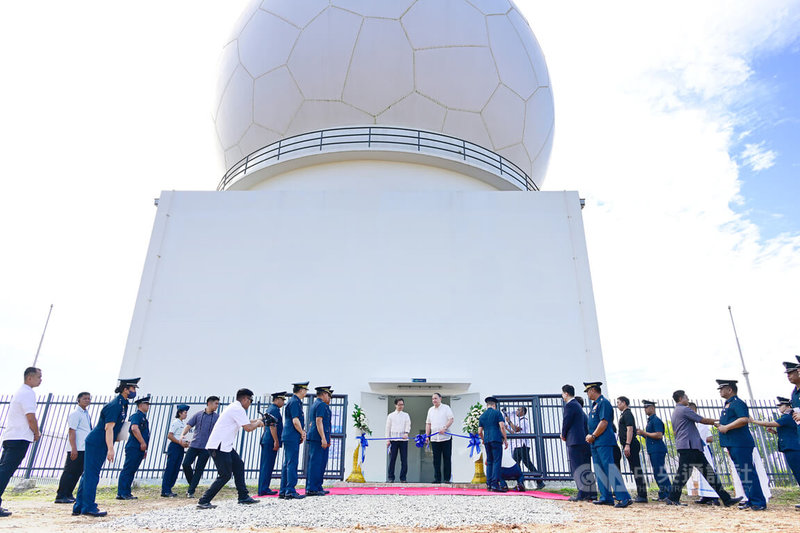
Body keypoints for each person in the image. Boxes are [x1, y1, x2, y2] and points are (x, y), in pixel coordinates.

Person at [73, 377, 139, 517]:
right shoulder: (115, 405)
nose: (134, 392)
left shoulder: (123, 404)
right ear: (125, 389)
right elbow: (108, 428)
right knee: (92, 475)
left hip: (101, 442)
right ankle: (89, 507)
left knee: (88, 474)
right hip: (98, 442)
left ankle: (79, 506)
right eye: (132, 389)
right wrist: (110, 448)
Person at [665, 389, 740, 508]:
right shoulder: (684, 410)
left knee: (704, 473)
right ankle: (672, 498)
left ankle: (726, 499)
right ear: (680, 398)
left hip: (688, 446)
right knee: (688, 474)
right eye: (686, 397)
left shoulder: (675, 412)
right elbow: (702, 420)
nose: (688, 399)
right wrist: (719, 422)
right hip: (690, 447)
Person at [198, 388, 264, 509]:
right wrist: (259, 423)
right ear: (244, 399)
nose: (250, 403)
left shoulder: (235, 407)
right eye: (251, 400)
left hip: (224, 445)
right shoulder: (237, 409)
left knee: (239, 464)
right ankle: (204, 500)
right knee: (225, 475)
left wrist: (259, 420)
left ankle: (243, 496)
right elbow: (248, 428)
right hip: (219, 446)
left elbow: (246, 422)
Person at [714, 379, 767, 511]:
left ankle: (758, 501)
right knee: (743, 473)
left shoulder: (737, 403)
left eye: (722, 388)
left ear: (730, 390)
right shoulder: (728, 404)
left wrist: (726, 427)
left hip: (740, 443)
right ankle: (751, 499)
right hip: (733, 443)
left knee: (747, 472)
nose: (720, 391)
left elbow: (744, 419)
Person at [0, 367, 42, 518]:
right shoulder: (27, 393)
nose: (41, 380)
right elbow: (30, 416)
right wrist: (36, 432)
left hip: (12, 436)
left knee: (3, 470)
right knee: (5, 472)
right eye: (39, 377)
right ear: (29, 378)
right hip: (19, 437)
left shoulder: (21, 392)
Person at [583, 381, 630, 508]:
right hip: (596, 442)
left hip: (603, 441)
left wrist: (593, 435)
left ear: (593, 390)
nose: (587, 394)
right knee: (599, 470)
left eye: (588, 391)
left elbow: (604, 422)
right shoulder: (595, 405)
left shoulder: (604, 403)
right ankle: (606, 497)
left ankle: (624, 497)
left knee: (610, 468)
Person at [749, 396, 800, 509]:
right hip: (791, 447)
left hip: (793, 448)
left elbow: (770, 423)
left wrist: (753, 421)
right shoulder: (788, 417)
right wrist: (775, 433)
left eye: (781, 405)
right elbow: (788, 433)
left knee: (798, 473)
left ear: (788, 406)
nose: (779, 408)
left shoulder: (787, 417)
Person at [55, 392, 92, 504]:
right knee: (69, 471)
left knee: (77, 472)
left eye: (89, 399)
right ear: (78, 400)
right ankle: (61, 495)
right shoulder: (75, 413)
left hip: (83, 447)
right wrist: (73, 448)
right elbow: (72, 431)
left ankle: (68, 493)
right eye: (84, 398)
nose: (87, 400)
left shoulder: (85, 414)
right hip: (76, 447)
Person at [560, 385, 596, 501]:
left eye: (562, 393)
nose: (562, 396)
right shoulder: (578, 407)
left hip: (574, 441)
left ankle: (582, 494)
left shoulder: (570, 405)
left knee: (577, 468)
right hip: (582, 441)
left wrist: (563, 434)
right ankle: (591, 493)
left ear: (566, 393)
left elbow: (566, 421)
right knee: (585, 468)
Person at [182, 395, 220, 498]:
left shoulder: (217, 417)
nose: (217, 405)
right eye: (216, 403)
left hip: (206, 448)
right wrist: (183, 435)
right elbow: (189, 425)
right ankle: (192, 484)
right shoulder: (198, 414)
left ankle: (191, 491)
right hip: (194, 445)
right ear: (209, 403)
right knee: (186, 464)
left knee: (199, 469)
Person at [117, 395, 151, 500]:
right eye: (146, 404)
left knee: (132, 470)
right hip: (134, 447)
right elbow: (134, 428)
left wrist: (144, 448)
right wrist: (142, 443)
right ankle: (122, 492)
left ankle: (126, 492)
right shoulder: (137, 416)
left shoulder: (143, 417)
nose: (148, 406)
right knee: (128, 469)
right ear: (141, 405)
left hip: (139, 447)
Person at [686, 402, 720, 505]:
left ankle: (714, 496)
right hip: (694, 449)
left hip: (703, 449)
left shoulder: (701, 423)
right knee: (701, 475)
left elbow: (710, 438)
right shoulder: (690, 423)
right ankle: (705, 495)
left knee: (708, 472)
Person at [279, 381, 309, 499]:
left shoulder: (293, 401)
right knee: (292, 463)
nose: (306, 392)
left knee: (287, 463)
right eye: (305, 390)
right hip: (292, 435)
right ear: (301, 390)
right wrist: (302, 433)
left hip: (290, 435)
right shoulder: (295, 402)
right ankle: (290, 490)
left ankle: (284, 490)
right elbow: (295, 421)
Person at [636, 400, 670, 502]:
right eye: (644, 407)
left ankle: (669, 494)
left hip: (657, 449)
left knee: (660, 472)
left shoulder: (656, 420)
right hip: (653, 449)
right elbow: (650, 436)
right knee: (657, 472)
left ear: (652, 408)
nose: (645, 409)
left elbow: (659, 435)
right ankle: (663, 494)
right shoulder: (650, 421)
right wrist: (642, 433)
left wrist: (644, 433)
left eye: (647, 407)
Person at [615, 396, 647, 503]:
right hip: (628, 444)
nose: (617, 404)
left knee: (636, 469)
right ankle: (641, 494)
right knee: (634, 469)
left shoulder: (627, 413)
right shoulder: (624, 414)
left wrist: (627, 444)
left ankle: (642, 495)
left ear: (624, 403)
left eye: (619, 402)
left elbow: (630, 429)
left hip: (631, 444)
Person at [506, 406, 545, 489]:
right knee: (516, 464)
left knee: (527, 463)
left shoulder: (524, 420)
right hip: (518, 445)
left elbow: (516, 429)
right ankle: (520, 483)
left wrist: (509, 421)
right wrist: (507, 429)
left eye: (518, 410)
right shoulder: (519, 421)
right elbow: (514, 433)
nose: (516, 411)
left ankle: (540, 481)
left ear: (523, 412)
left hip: (523, 445)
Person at [306, 386, 333, 496]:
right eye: (328, 395)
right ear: (324, 394)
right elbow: (318, 421)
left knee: (320, 463)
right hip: (318, 438)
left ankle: (317, 486)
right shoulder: (321, 404)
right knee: (316, 463)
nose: (329, 398)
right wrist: (323, 438)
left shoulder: (316, 404)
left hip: (318, 437)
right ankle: (312, 488)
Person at [258, 391, 285, 496]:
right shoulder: (274, 410)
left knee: (267, 465)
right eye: (282, 400)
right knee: (267, 465)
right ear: (277, 399)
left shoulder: (271, 409)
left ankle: (264, 488)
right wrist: (276, 441)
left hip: (267, 439)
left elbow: (265, 425)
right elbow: (272, 426)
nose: (283, 402)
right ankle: (263, 489)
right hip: (270, 441)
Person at [478, 396, 508, 492]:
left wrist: (483, 439)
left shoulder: (482, 416)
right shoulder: (497, 413)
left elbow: (479, 432)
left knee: (489, 461)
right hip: (496, 439)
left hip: (487, 440)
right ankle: (495, 484)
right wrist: (505, 439)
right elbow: (502, 427)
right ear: (494, 405)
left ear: (487, 405)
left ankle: (489, 484)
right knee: (496, 461)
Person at [162, 404, 190, 497]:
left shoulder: (182, 423)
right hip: (174, 446)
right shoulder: (176, 422)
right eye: (185, 413)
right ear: (180, 413)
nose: (186, 415)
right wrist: (179, 442)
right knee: (171, 468)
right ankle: (165, 490)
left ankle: (169, 488)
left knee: (176, 468)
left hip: (180, 447)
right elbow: (170, 435)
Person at [425, 393, 454, 484]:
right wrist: (426, 435)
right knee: (436, 460)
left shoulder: (446, 408)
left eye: (436, 398)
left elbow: (451, 419)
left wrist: (445, 428)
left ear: (440, 398)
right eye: (433, 399)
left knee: (447, 459)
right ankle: (437, 478)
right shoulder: (430, 410)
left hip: (446, 438)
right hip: (434, 438)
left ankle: (447, 479)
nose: (434, 400)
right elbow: (428, 423)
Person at [385, 397, 410, 483]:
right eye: (399, 404)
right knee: (392, 459)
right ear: (395, 405)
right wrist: (387, 440)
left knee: (404, 459)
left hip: (403, 440)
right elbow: (387, 428)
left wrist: (406, 433)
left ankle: (403, 478)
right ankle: (391, 477)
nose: (401, 406)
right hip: (393, 440)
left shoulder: (406, 415)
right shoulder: (390, 416)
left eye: (402, 404)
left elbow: (408, 425)